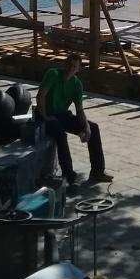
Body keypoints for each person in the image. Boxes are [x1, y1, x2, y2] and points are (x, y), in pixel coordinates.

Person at [36, 53, 112, 186]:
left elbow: (80, 110)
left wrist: (86, 127)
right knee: (60, 134)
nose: (71, 69)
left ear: (78, 69)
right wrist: (45, 116)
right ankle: (69, 175)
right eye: (69, 65)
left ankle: (97, 171)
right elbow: (40, 96)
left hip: (62, 115)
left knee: (93, 128)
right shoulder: (53, 74)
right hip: (44, 115)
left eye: (74, 67)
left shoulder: (77, 84)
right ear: (65, 65)